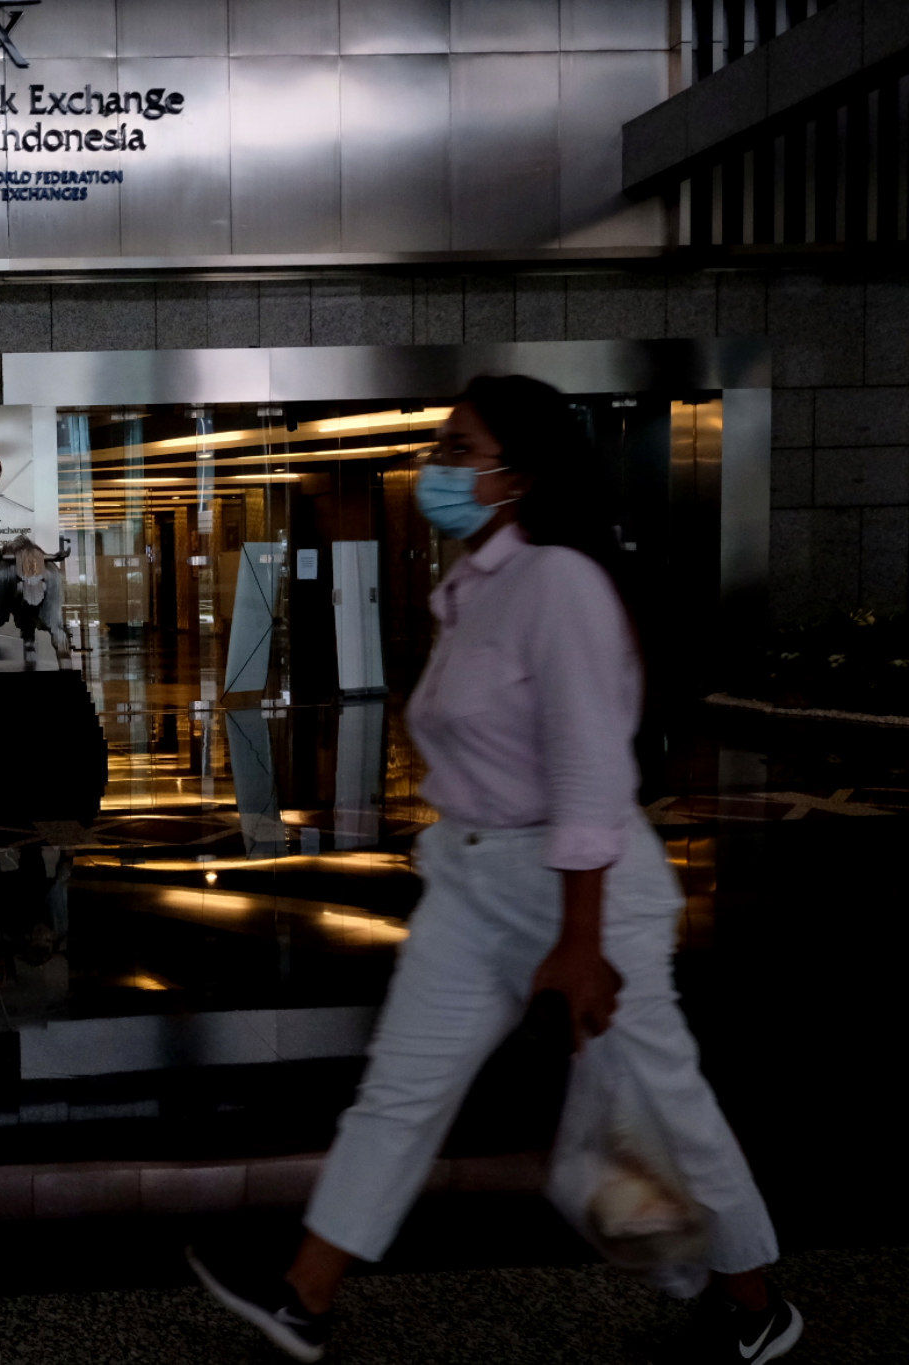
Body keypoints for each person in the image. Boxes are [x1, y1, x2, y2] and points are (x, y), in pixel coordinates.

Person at [185, 377, 798, 1363]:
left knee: (663, 1100)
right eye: (440, 449)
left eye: (457, 451)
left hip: (581, 887)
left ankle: (753, 1305)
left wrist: (581, 939)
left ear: (518, 475)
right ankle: (304, 1297)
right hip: (473, 881)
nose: (437, 469)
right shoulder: (472, 584)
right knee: (401, 1088)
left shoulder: (558, 584)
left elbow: (591, 771)